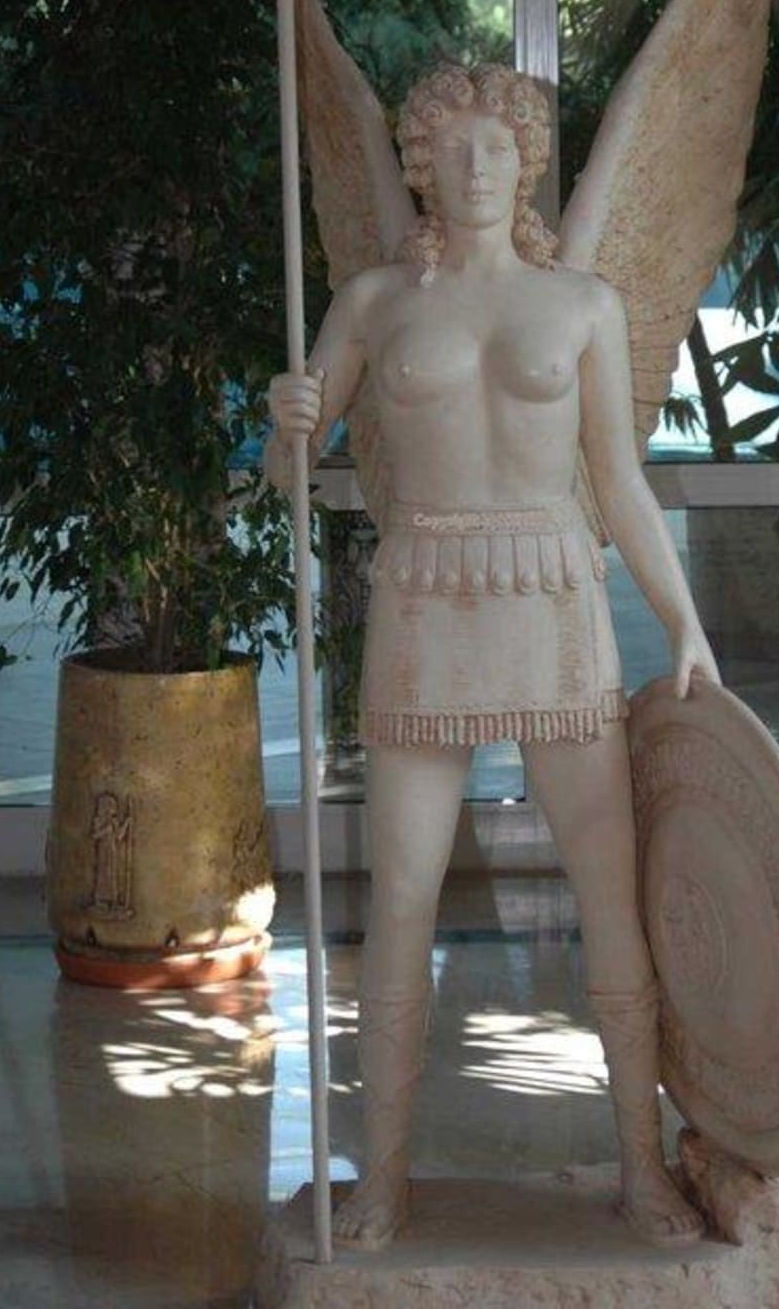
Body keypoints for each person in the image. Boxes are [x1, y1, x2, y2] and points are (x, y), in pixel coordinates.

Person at [269, 62, 720, 1252]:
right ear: (419, 164)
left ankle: (639, 1166)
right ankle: (381, 1180)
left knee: (605, 889)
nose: (478, 168)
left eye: (499, 149)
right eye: (456, 149)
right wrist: (284, 425)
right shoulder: (372, 300)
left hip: (553, 595)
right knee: (402, 897)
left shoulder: (581, 304)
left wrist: (682, 620)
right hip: (423, 598)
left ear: (527, 165)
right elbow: (288, 471)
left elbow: (618, 482)